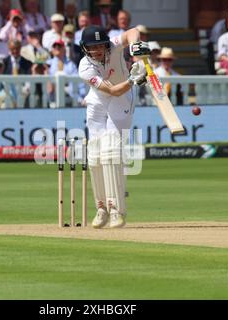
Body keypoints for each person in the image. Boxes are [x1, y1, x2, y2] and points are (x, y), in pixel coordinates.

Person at [78, 25, 149, 228]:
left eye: (101, 45)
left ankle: (116, 210)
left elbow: (132, 32)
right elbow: (113, 90)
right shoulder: (85, 67)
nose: (98, 50)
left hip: (123, 100)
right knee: (94, 153)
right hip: (101, 98)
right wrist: (133, 79)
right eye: (93, 47)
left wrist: (136, 48)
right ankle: (101, 208)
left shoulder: (114, 46)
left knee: (111, 150)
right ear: (85, 48)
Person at [47, 38, 84, 107]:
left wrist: (82, 94)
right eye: (54, 46)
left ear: (64, 49)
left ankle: (80, 100)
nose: (57, 48)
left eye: (59, 46)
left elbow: (78, 82)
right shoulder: (48, 64)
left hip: (69, 94)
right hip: (53, 93)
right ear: (52, 50)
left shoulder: (71, 64)